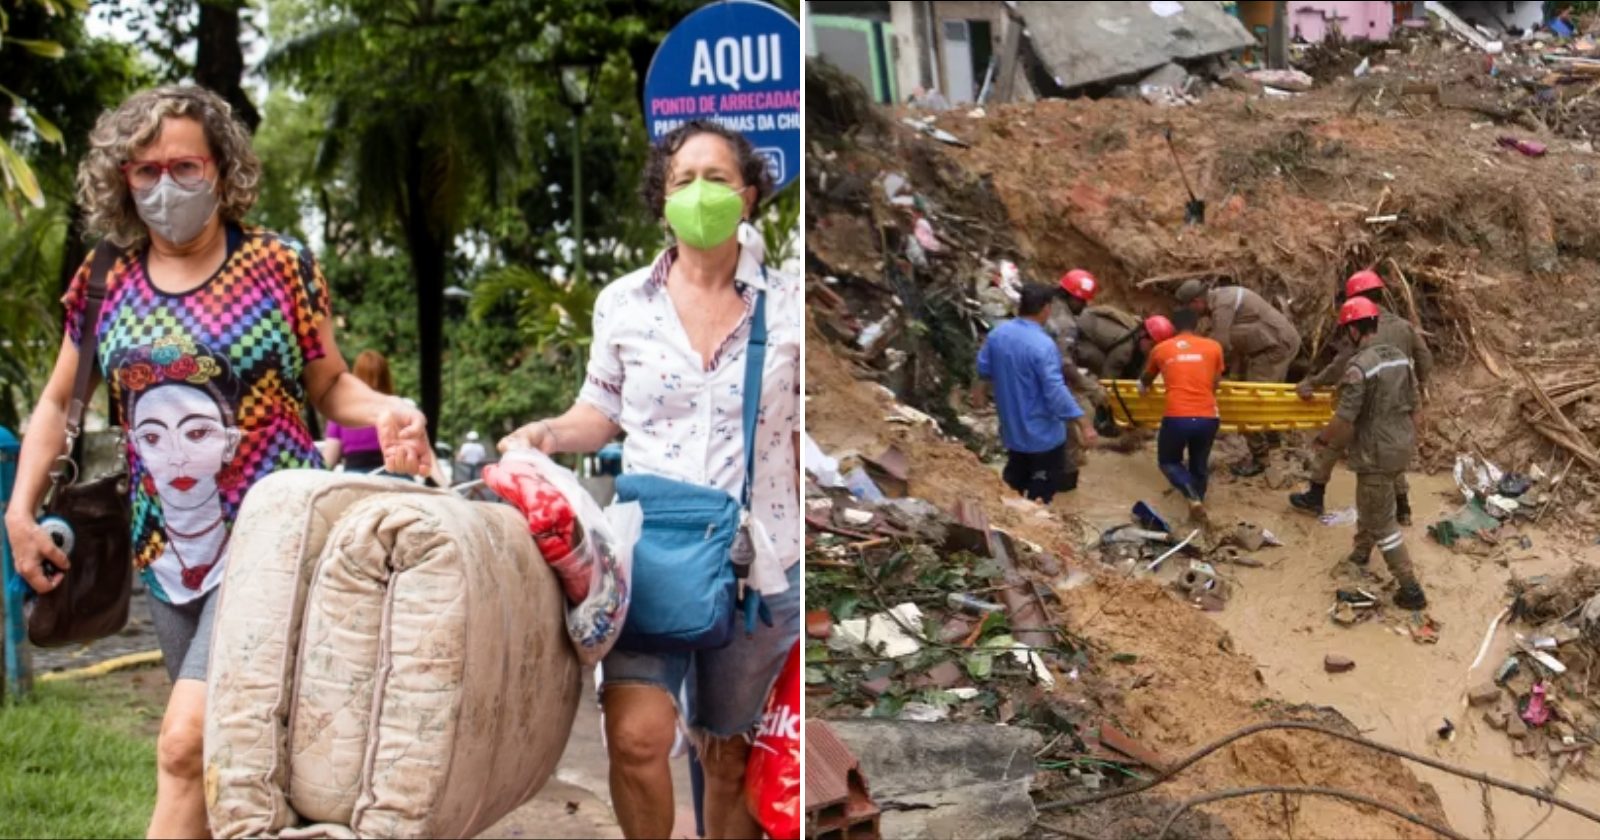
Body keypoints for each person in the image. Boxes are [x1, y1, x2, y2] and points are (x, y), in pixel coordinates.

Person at [2, 85, 433, 839]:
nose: (165, 186)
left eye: (185, 166)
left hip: (275, 544)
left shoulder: (279, 266)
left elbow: (328, 384)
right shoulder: (106, 280)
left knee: (182, 745)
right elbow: (55, 401)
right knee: (223, 765)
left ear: (222, 170)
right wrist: (18, 509)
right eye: (145, 171)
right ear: (121, 180)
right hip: (168, 559)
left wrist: (388, 410)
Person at [498, 119, 800, 840]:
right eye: (682, 181)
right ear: (662, 203)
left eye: (717, 179)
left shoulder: (790, 305)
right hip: (648, 553)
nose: (700, 194)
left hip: (759, 562)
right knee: (635, 738)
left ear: (750, 195)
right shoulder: (623, 304)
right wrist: (544, 434)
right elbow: (599, 411)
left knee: (726, 756)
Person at [1290, 270, 1433, 523]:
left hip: (1362, 400)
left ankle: (1315, 495)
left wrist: (1312, 382)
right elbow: (1425, 360)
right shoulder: (1404, 327)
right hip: (1396, 401)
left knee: (1333, 445)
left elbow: (1339, 365)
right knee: (1388, 454)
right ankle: (1403, 508)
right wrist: (1416, 384)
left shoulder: (1362, 326)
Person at [1319, 297, 1428, 610]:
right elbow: (1416, 405)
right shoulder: (1399, 358)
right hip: (1401, 445)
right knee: (1371, 501)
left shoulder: (1359, 367)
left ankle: (1411, 589)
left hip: (1376, 452)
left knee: (1381, 522)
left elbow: (1345, 417)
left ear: (1354, 330)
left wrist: (1324, 439)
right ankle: (1360, 553)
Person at [978, 283, 1098, 503]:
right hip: (1043, 437)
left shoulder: (997, 335)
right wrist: (1084, 423)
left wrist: (984, 395)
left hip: (1012, 432)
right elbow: (1055, 391)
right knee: (1040, 498)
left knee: (1012, 488)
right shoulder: (1043, 345)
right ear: (1045, 308)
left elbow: (983, 370)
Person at [1175, 279, 1301, 477]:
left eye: (1188, 307)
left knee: (1250, 401)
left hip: (1274, 347)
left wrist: (1194, 370)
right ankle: (1274, 441)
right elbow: (1235, 343)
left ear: (1197, 301)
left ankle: (1260, 458)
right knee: (1261, 395)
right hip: (1270, 344)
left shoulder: (1222, 306)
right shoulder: (1222, 298)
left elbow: (1220, 345)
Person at [1138, 309, 1224, 524]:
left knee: (1168, 461)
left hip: (1177, 416)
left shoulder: (1161, 349)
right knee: (1199, 464)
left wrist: (1143, 387)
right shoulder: (1214, 347)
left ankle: (1191, 497)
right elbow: (1215, 383)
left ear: (1173, 328)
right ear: (1198, 326)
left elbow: (1146, 380)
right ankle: (1198, 510)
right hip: (1208, 416)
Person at [323, 350, 394, 474]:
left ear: (356, 376)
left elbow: (329, 461)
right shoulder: (398, 408)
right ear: (386, 376)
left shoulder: (341, 411)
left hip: (356, 475)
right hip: (395, 476)